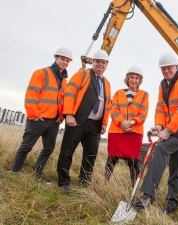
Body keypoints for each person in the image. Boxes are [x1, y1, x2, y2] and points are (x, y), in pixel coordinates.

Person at [132, 52, 178, 214]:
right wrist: (159, 125)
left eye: (169, 68)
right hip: (175, 128)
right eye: (163, 69)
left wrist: (168, 130)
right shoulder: (163, 85)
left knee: (162, 148)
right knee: (176, 166)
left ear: (177, 67)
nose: (166, 71)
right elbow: (160, 108)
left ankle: (147, 196)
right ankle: (172, 204)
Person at [11, 47, 73, 183]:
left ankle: (37, 175)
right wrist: (33, 114)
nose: (65, 62)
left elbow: (63, 100)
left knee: (48, 149)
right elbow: (31, 94)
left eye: (68, 61)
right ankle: (14, 173)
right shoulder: (41, 73)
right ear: (56, 58)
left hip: (54, 121)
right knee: (26, 146)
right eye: (63, 59)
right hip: (38, 118)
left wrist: (61, 116)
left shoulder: (64, 80)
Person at [56, 50, 112, 191]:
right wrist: (68, 114)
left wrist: (104, 123)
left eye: (103, 62)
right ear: (92, 62)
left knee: (91, 155)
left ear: (107, 65)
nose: (100, 64)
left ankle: (84, 183)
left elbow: (107, 104)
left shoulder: (107, 83)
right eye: (97, 61)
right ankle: (64, 182)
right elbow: (69, 93)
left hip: (95, 125)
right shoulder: (83, 74)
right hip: (77, 121)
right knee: (67, 151)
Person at [104, 65, 149, 187]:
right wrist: (122, 122)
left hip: (134, 133)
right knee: (112, 158)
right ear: (127, 79)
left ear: (140, 81)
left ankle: (133, 187)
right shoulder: (118, 93)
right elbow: (113, 110)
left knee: (133, 161)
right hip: (117, 131)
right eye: (132, 77)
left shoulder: (145, 95)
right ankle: (105, 184)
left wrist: (132, 123)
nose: (134, 80)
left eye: (137, 78)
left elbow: (143, 113)